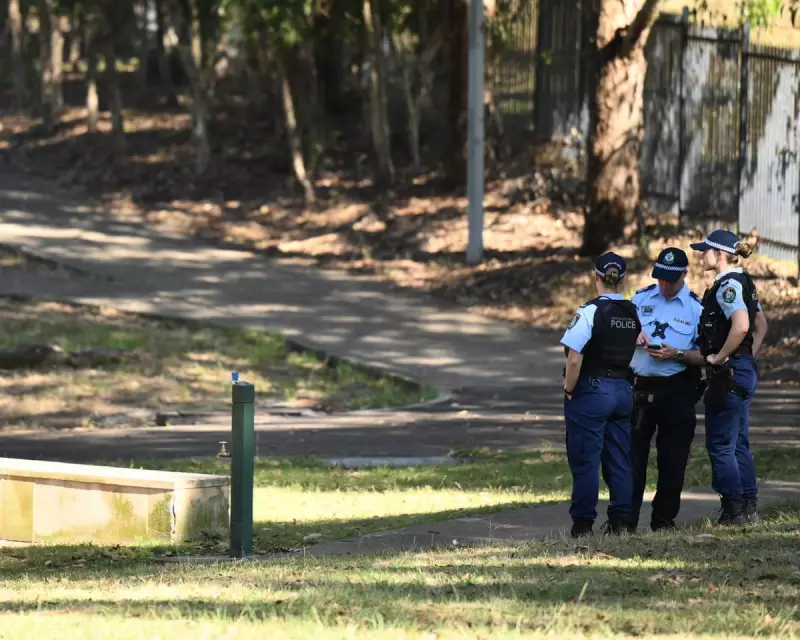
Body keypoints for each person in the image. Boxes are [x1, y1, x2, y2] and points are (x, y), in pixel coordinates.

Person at [690, 230, 769, 525]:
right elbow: (760, 325)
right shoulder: (745, 282)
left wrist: (721, 355)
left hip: (730, 373)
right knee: (738, 444)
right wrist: (748, 354)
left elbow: (742, 325)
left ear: (720, 254)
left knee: (721, 445)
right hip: (742, 368)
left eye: (705, 250)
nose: (701, 255)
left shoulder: (728, 286)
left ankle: (733, 510)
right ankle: (748, 507)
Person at [561, 252, 641, 538]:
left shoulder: (590, 312)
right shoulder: (633, 312)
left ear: (595, 277)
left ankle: (582, 525)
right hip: (622, 391)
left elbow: (573, 359)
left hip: (592, 391)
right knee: (619, 459)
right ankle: (621, 521)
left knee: (585, 460)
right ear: (622, 279)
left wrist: (570, 390)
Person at [628, 248, 706, 532]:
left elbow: (708, 356)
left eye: (671, 280)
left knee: (673, 461)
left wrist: (678, 354)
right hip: (640, 389)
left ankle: (663, 522)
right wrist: (630, 334)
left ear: (685, 274)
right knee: (631, 460)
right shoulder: (640, 298)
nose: (664, 285)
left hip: (678, 390)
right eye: (660, 278)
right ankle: (625, 521)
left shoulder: (697, 308)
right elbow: (619, 335)